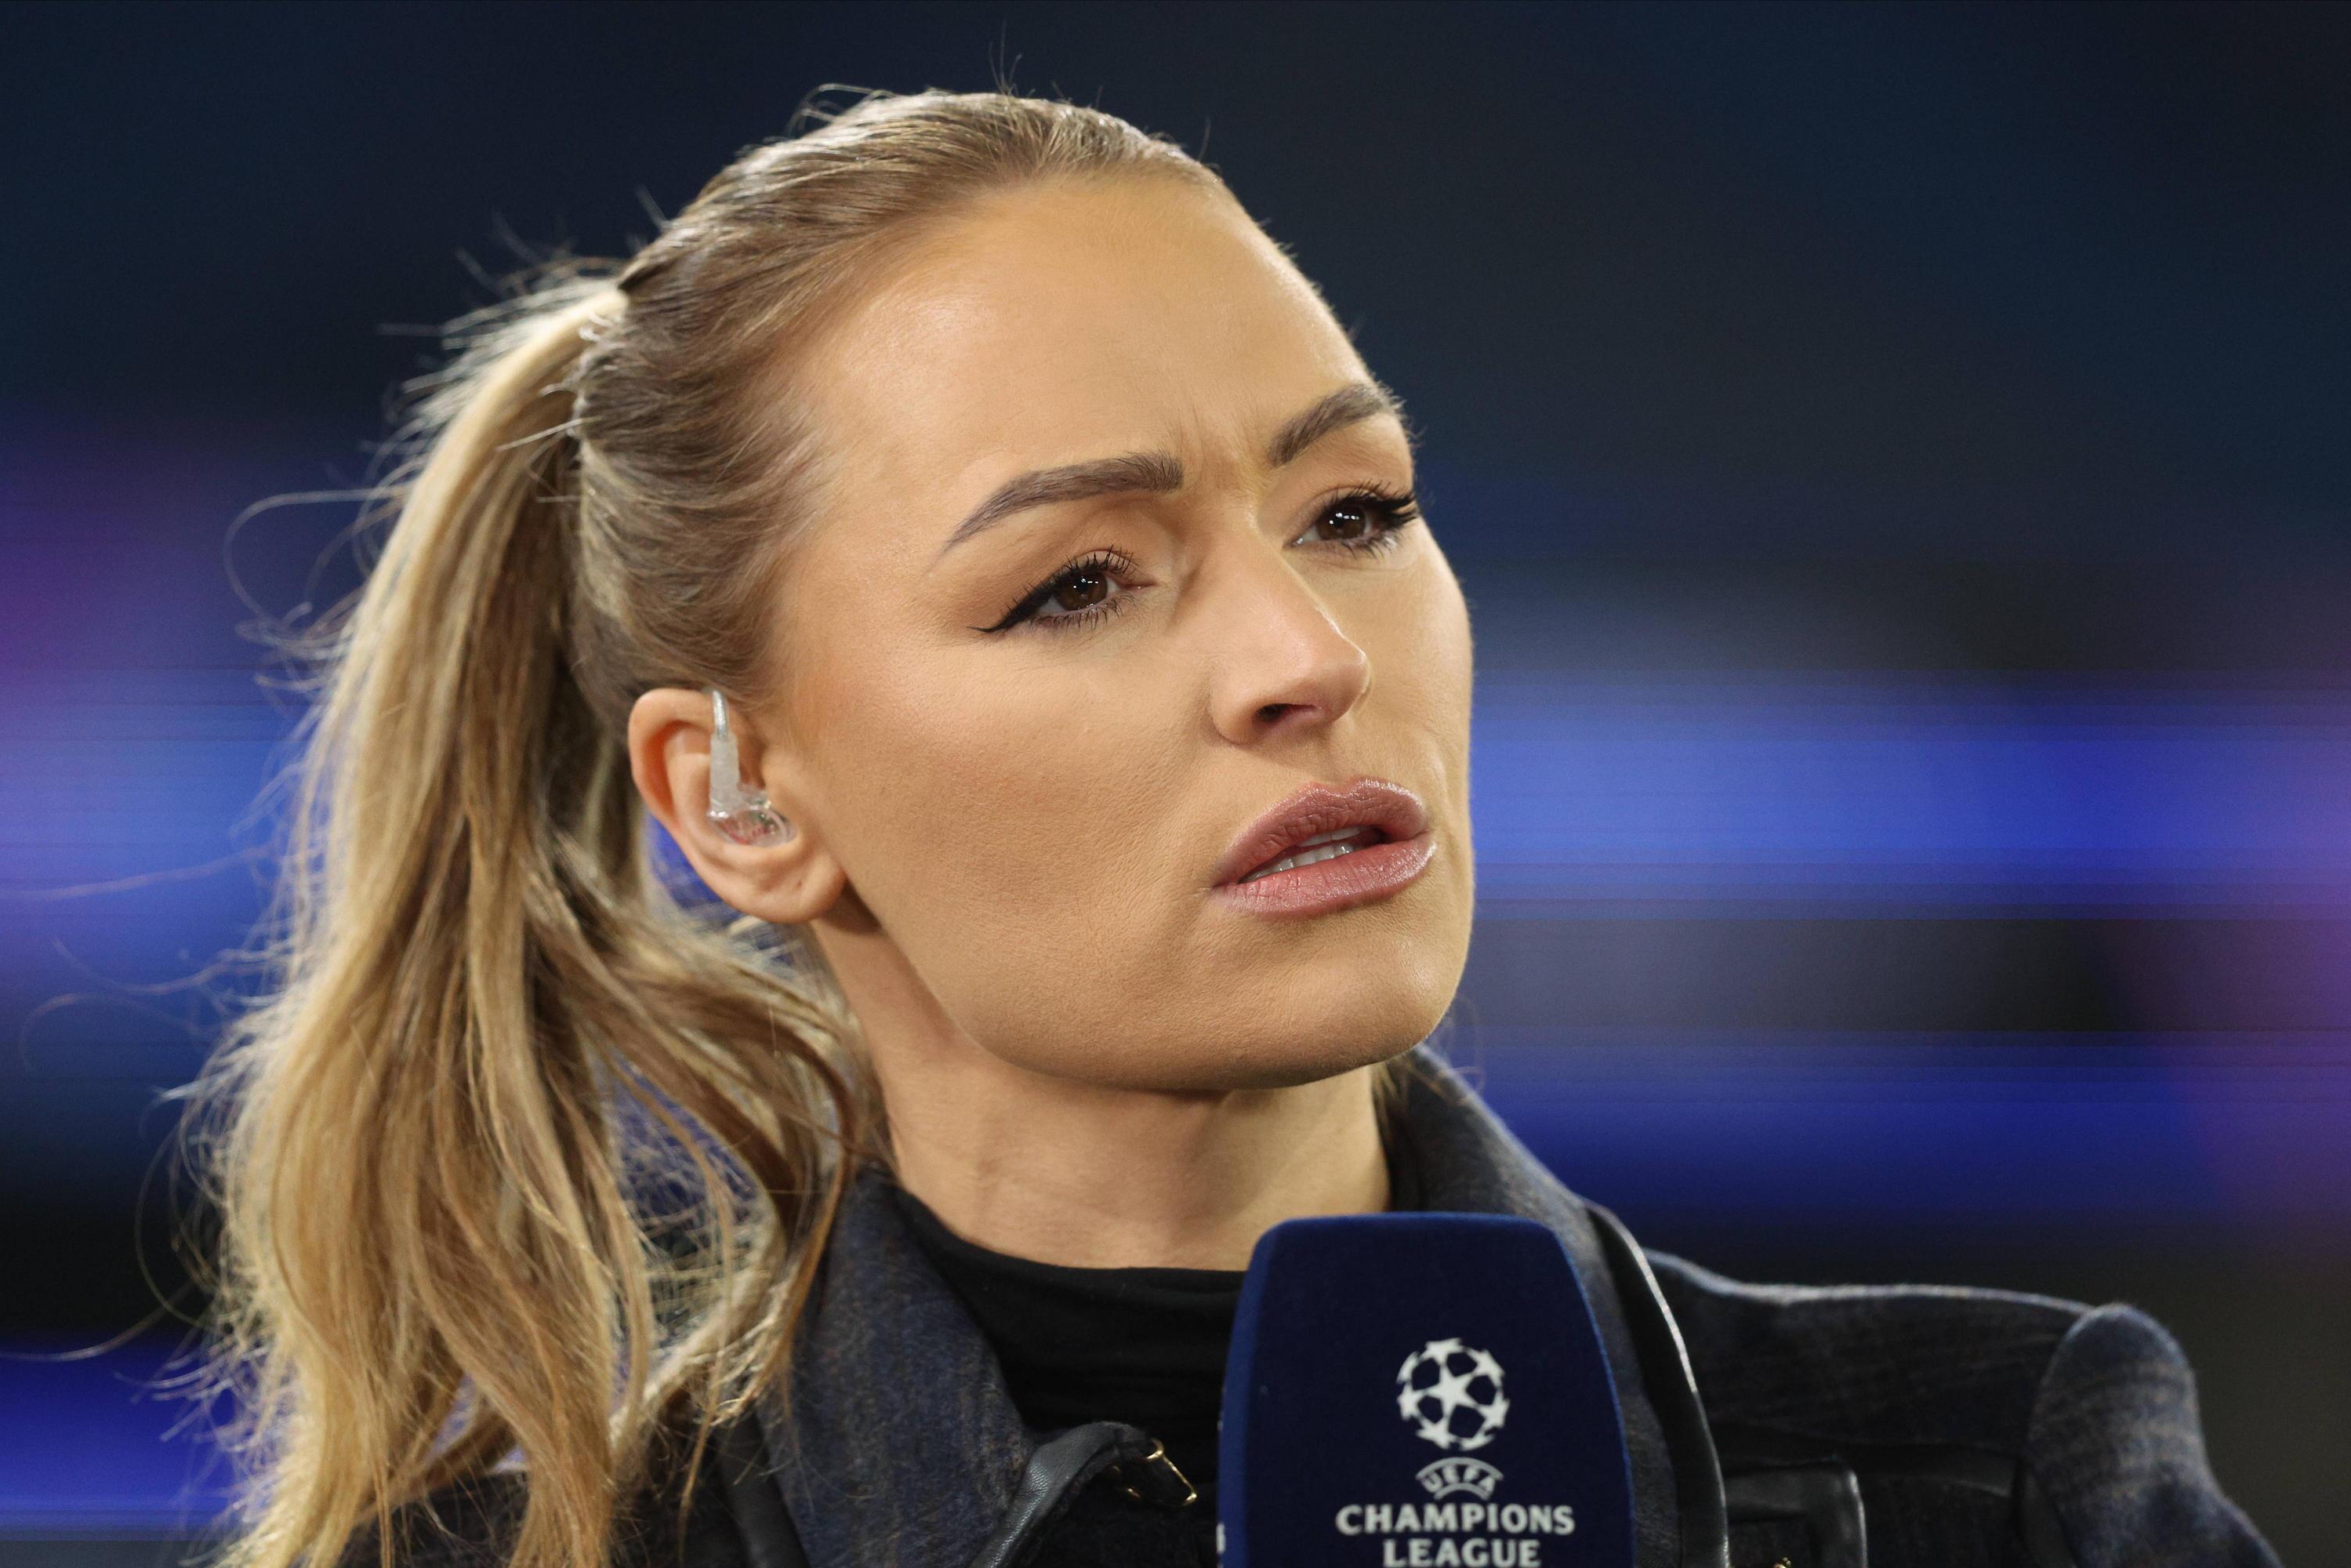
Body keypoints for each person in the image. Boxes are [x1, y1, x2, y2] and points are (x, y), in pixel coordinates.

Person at [179, 86, 2279, 1568]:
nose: (1307, 655)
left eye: (1354, 513)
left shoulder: (2003, 1479)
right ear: (735, 799)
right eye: (1078, 582)